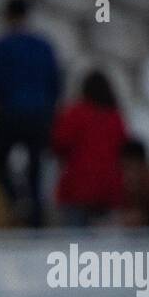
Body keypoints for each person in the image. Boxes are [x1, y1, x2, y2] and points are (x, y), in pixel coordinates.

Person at [0, 0, 62, 228]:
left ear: (8, 15)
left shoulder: (2, 45)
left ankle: (17, 200)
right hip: (40, 114)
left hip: (12, 112)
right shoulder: (43, 45)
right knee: (35, 169)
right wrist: (49, 111)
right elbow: (55, 81)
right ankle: (35, 219)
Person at [51, 70, 127, 227]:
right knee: (106, 248)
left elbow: (59, 143)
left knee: (76, 246)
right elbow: (123, 148)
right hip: (108, 189)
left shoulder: (76, 113)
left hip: (77, 189)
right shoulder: (114, 117)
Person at [116, 137, 149, 227]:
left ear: (142, 165)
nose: (128, 175)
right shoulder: (130, 187)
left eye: (131, 168)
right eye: (124, 168)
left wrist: (144, 218)